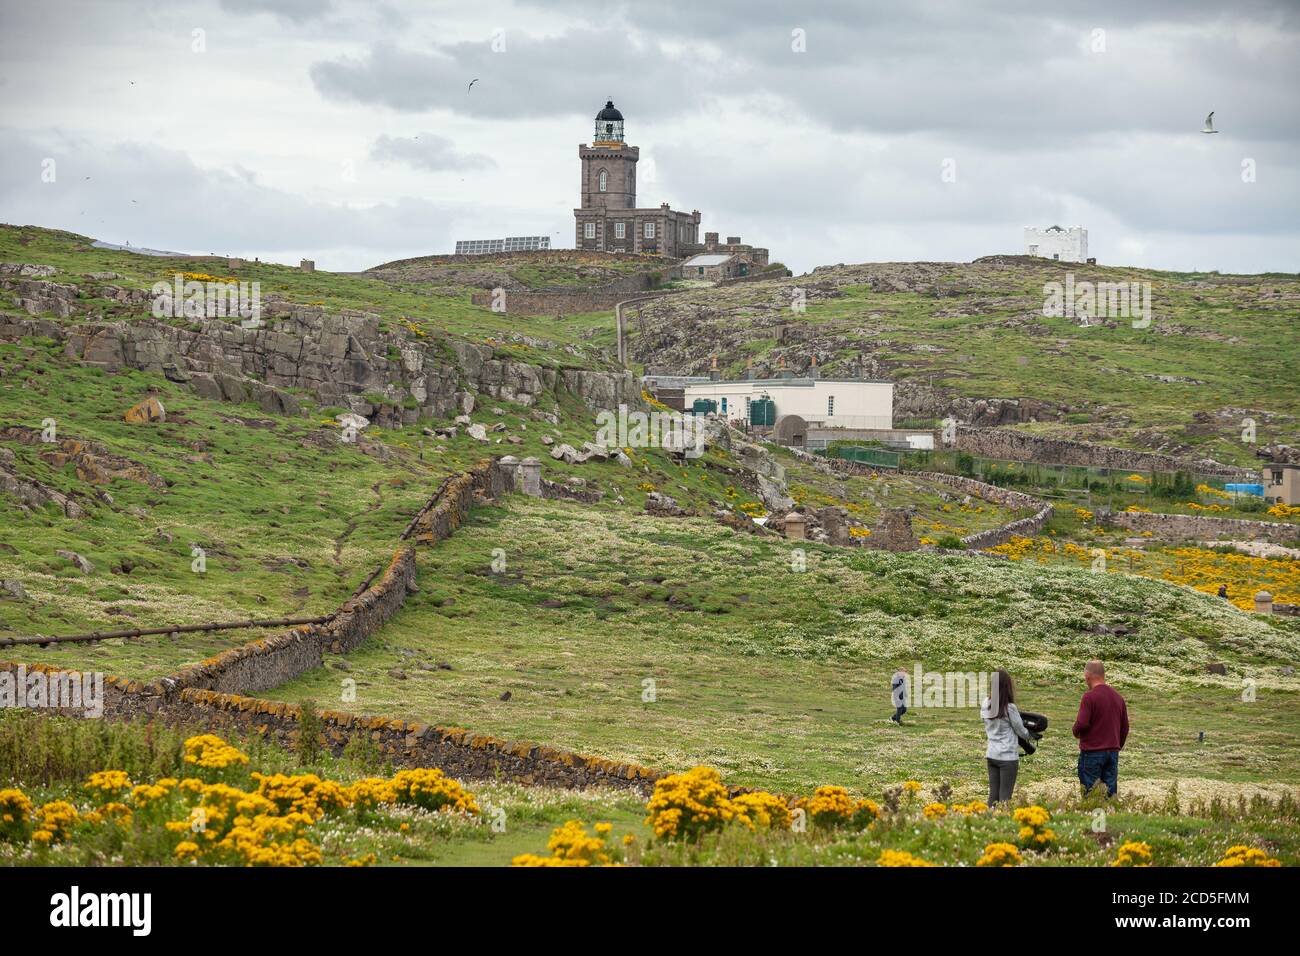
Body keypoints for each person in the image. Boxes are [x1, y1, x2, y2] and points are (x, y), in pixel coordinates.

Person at [1071, 659, 1129, 796]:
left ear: (1087, 675)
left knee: (1091, 793)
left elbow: (1082, 723)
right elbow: (1125, 727)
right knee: (1110, 794)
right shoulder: (1118, 697)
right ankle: (1109, 815)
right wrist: (1116, 745)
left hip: (1092, 752)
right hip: (1112, 752)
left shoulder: (1089, 697)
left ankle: (1094, 816)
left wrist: (1076, 732)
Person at [981, 669, 1037, 804]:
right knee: (1005, 798)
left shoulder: (985, 703)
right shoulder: (1010, 708)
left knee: (993, 797)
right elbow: (1021, 731)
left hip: (992, 754)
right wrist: (1032, 736)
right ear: (1007, 686)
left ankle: (988, 822)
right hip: (1007, 757)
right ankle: (1003, 822)